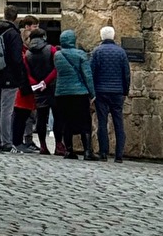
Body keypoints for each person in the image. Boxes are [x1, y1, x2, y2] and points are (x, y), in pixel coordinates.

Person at [0, 5, 24, 152]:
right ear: (15, 17)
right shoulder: (12, 33)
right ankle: (6, 143)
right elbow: (16, 58)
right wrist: (18, 75)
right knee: (6, 110)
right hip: (9, 75)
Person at [90, 25, 131, 162]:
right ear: (113, 36)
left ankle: (103, 153)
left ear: (101, 36)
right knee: (118, 122)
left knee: (102, 122)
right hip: (117, 91)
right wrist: (125, 90)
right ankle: (119, 155)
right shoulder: (121, 52)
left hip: (101, 91)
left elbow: (92, 73)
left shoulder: (97, 52)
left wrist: (92, 92)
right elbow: (126, 74)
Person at [54, 29, 96, 160]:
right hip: (79, 92)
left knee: (66, 121)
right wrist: (92, 93)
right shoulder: (80, 55)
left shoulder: (57, 55)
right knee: (85, 122)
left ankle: (69, 150)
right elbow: (87, 75)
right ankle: (88, 151)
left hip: (61, 93)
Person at [16, 28, 58, 154]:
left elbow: (27, 72)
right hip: (51, 86)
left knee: (41, 116)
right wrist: (46, 81)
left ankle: (43, 145)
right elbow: (57, 67)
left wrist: (37, 84)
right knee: (57, 116)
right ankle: (59, 145)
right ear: (43, 36)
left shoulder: (27, 53)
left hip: (38, 89)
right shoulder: (51, 49)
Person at [17, 16, 40, 150]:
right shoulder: (23, 44)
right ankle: (24, 140)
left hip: (28, 84)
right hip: (25, 84)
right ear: (27, 27)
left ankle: (27, 139)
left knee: (29, 114)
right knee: (24, 114)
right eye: (35, 26)